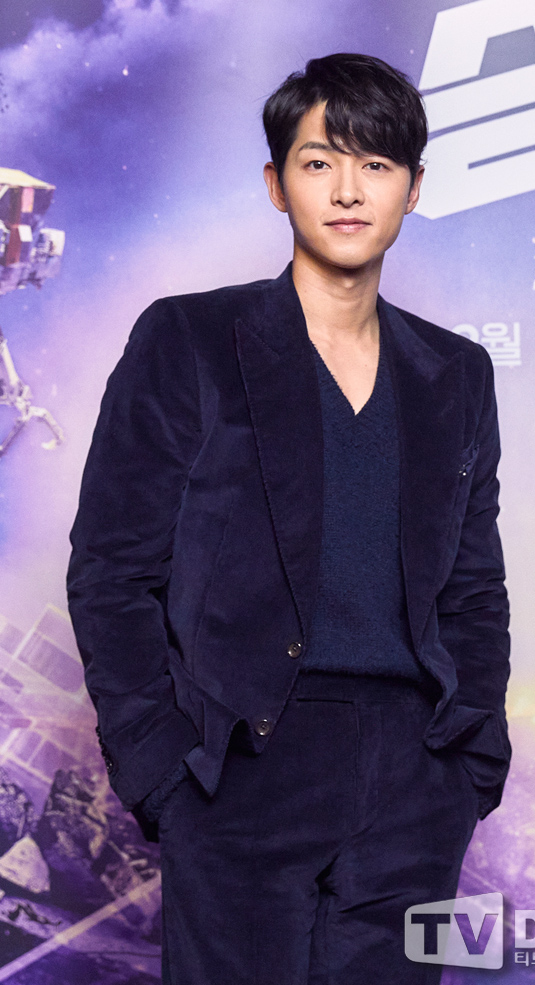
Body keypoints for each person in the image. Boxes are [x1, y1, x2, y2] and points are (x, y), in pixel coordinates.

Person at [67, 52, 511, 985]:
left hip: (415, 772)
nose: (348, 190)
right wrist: (164, 770)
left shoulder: (456, 373)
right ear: (276, 184)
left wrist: (467, 763)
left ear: (414, 188)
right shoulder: (189, 339)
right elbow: (112, 569)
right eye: (319, 162)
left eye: (376, 164)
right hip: (244, 761)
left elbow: (473, 586)